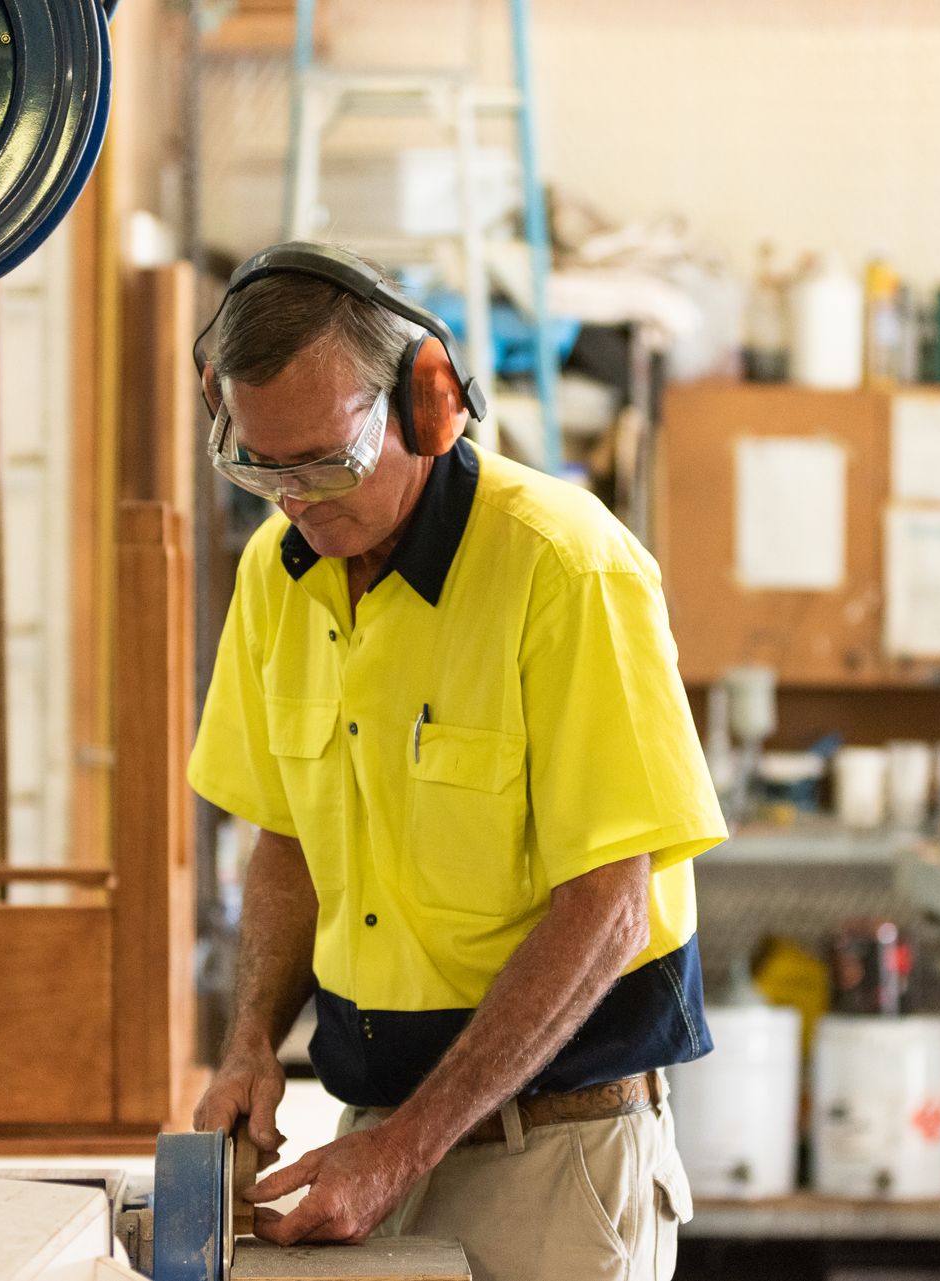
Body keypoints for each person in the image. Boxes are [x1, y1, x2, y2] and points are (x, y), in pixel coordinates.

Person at [187, 242, 726, 1281]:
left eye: (325, 464)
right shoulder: (276, 573)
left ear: (427, 406)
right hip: (375, 1138)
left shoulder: (564, 567)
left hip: (553, 1158)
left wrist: (403, 1150)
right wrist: (251, 1039)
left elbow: (610, 909)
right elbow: (288, 841)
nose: (295, 500)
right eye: (263, 468)